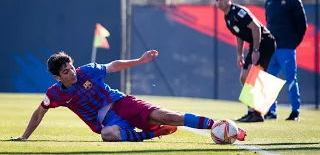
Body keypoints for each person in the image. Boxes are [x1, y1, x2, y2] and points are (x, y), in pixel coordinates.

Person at [11, 50, 247, 142]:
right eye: (65, 72)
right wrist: (24, 138)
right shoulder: (55, 95)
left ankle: (215, 124)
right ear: (57, 78)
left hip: (122, 103)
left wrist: (140, 60)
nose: (72, 73)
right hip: (107, 122)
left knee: (168, 116)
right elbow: (38, 113)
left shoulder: (87, 71)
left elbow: (113, 65)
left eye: (71, 68)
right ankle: (149, 133)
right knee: (108, 135)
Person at [213, 0, 276, 122]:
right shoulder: (227, 17)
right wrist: (239, 54)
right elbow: (239, 35)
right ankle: (251, 111)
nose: (219, 3)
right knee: (244, 77)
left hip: (265, 43)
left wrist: (256, 50)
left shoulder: (238, 12)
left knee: (256, 77)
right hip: (255, 45)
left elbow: (256, 27)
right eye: (217, 0)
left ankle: (258, 114)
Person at [264, 0, 307, 121]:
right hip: (272, 49)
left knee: (291, 79)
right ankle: (271, 111)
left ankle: (295, 111)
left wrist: (293, 43)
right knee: (270, 80)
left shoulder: (294, 1)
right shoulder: (269, 2)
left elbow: (302, 26)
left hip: (287, 48)